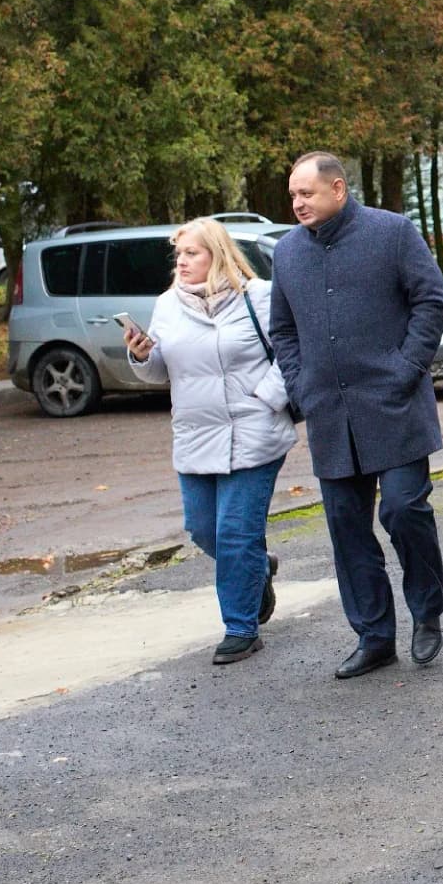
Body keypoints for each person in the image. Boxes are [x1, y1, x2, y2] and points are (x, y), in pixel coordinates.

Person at [269, 152, 443, 679]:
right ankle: (374, 637)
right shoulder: (287, 253)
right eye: (293, 195)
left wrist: (407, 368)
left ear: (338, 189)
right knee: (347, 528)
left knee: (402, 510)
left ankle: (427, 614)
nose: (297, 203)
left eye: (306, 193)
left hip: (393, 403)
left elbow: (430, 300)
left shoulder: (391, 233)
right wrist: (302, 386)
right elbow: (283, 329)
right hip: (329, 412)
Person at [125, 219, 296, 664]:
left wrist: (268, 399)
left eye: (192, 254)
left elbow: (293, 352)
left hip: (253, 432)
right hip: (196, 434)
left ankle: (241, 628)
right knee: (202, 528)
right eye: (178, 254)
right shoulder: (167, 305)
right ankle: (259, 569)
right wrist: (141, 356)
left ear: (217, 255)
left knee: (236, 533)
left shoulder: (259, 296)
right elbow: (161, 369)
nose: (181, 262)